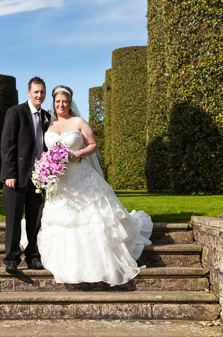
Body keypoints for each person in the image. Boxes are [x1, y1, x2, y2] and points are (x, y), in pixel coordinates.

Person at [37, 85, 153, 286]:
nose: (61, 105)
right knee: (61, 221)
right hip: (59, 182)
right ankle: (66, 265)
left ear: (70, 102)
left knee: (91, 219)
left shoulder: (79, 122)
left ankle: (100, 265)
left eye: (64, 101)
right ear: (53, 103)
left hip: (80, 178)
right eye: (57, 101)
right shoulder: (49, 124)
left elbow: (92, 144)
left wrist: (78, 154)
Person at [0, 77, 50, 273]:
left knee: (35, 219)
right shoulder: (16, 113)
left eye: (42, 92)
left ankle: (33, 256)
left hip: (39, 178)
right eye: (36, 91)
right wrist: (9, 174)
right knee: (13, 218)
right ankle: (11, 259)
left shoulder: (46, 116)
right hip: (17, 176)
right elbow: (7, 146)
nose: (39, 95)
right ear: (28, 93)